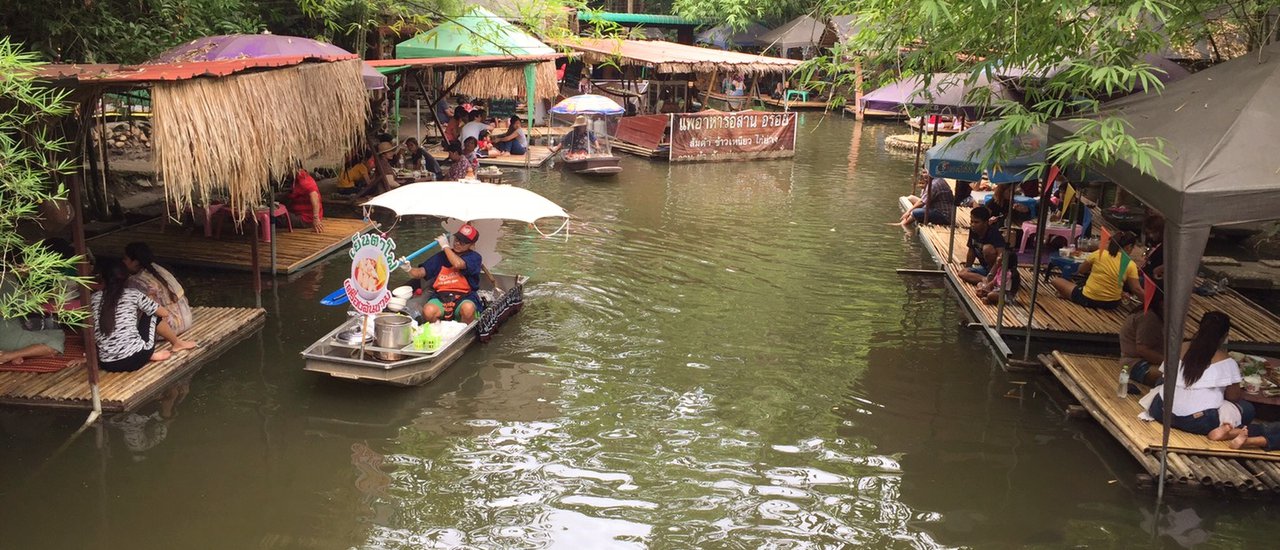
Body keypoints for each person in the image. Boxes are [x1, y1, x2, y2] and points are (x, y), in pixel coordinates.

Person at [1139, 311, 1253, 436]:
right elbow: (1233, 397)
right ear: (1225, 336)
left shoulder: (1179, 348)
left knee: (1162, 382)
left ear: (1200, 329)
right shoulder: (1227, 361)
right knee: (1247, 409)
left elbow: (1164, 374)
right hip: (1198, 421)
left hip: (1161, 411)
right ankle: (1224, 429)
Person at [91, 259, 196, 372]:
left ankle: (147, 352)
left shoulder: (94, 298)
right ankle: (176, 343)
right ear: (126, 277)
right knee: (152, 314)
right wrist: (147, 303)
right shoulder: (133, 294)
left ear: (102, 278)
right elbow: (164, 313)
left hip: (107, 364)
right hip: (137, 359)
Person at [405, 224, 484, 324]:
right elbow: (420, 273)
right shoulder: (442, 256)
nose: (457, 244)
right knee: (428, 311)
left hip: (464, 296)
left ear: (471, 245)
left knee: (468, 309)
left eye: (463, 242)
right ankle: (440, 330)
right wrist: (408, 268)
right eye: (456, 239)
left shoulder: (475, 257)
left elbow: (458, 264)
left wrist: (445, 247)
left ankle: (464, 329)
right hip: (441, 296)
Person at [1049, 230, 1145, 310]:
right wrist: (1150, 304)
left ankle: (1067, 295)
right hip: (1112, 304)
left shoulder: (1099, 254)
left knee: (1056, 280)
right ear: (1128, 247)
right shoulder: (1130, 264)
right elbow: (1136, 289)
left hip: (1088, 298)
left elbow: (1081, 270)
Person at [123, 242, 193, 335]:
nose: (123, 262)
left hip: (167, 329)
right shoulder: (159, 269)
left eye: (125, 259)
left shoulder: (136, 281)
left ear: (135, 262)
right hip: (186, 320)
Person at [1120, 290, 1165, 386]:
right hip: (1136, 364)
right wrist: (1170, 363)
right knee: (1175, 378)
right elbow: (1143, 349)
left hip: (1149, 362)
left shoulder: (1156, 314)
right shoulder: (1149, 317)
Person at [957, 206, 1005, 284]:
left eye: (976, 222)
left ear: (985, 223)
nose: (973, 224)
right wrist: (968, 268)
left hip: (998, 270)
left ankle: (992, 278)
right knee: (962, 273)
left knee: (987, 249)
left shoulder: (993, 233)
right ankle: (984, 279)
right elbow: (971, 250)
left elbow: (1001, 256)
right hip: (984, 268)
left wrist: (991, 274)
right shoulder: (973, 231)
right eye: (971, 221)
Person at [285, 167, 324, 233]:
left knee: (274, 217)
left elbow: (314, 195)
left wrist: (316, 218)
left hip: (305, 218)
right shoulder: (299, 178)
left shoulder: (303, 179)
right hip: (300, 213)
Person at [1139, 213, 1165, 284]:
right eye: (1149, 233)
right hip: (1145, 272)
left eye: (1153, 233)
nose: (1150, 236)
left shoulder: (1165, 246)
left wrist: (1158, 269)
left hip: (1153, 280)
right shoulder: (1152, 240)